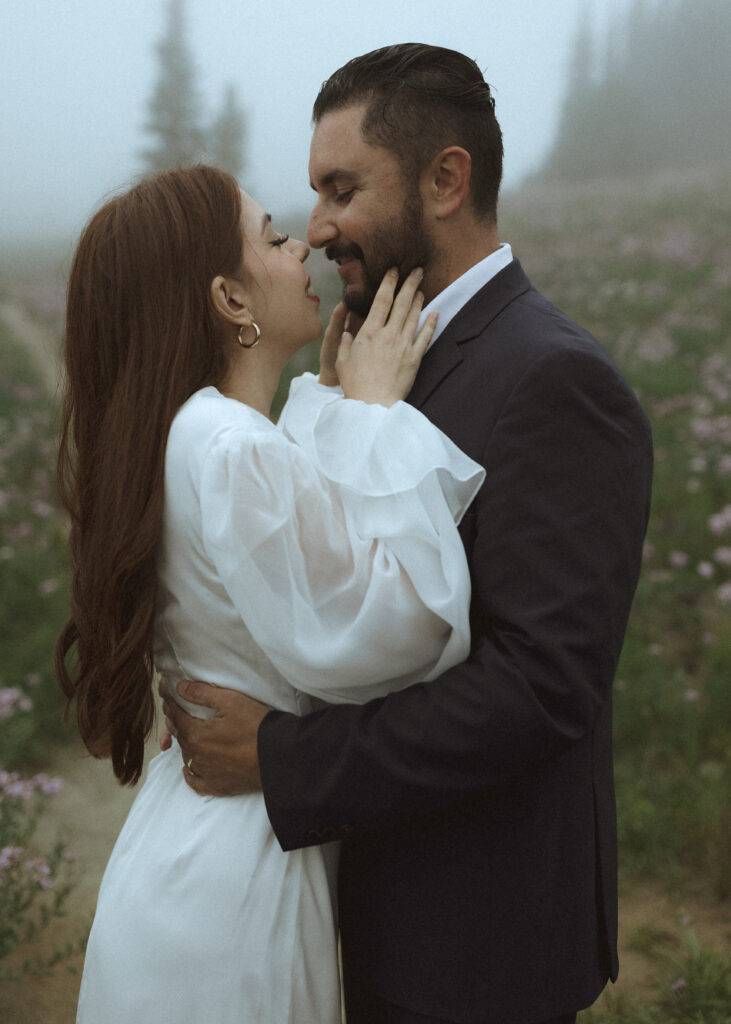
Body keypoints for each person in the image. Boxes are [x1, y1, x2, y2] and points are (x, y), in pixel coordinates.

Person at [163, 44, 654, 1024]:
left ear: (443, 178)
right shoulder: (369, 353)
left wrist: (286, 758)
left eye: (341, 189)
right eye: (312, 194)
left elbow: (539, 684)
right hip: (357, 905)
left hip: (473, 943)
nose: (317, 228)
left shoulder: (551, 378)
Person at [55, 163, 487, 1023]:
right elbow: (401, 629)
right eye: (273, 235)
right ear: (228, 298)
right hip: (236, 876)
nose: (305, 247)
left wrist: (332, 407)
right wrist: (369, 417)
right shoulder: (227, 447)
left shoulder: (197, 433)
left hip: (191, 849)